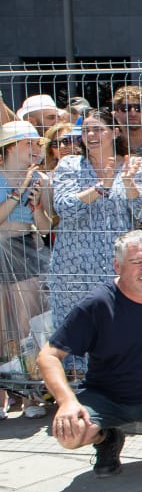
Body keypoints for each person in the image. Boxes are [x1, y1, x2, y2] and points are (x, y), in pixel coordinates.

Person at [38, 231, 142, 476]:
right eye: (137, 262)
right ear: (118, 265)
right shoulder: (97, 304)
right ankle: (106, 439)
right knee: (69, 436)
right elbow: (48, 356)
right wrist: (67, 401)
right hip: (105, 395)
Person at [48, 109, 142, 335]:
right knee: (75, 330)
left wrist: (128, 183)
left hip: (116, 264)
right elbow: (64, 207)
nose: (91, 136)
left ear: (115, 132)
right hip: (73, 263)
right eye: (86, 131)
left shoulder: (132, 166)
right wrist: (101, 187)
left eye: (98, 129)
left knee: (116, 328)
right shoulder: (70, 165)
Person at [0, 122, 53, 376]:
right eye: (28, 143)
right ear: (9, 148)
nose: (35, 149)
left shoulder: (41, 180)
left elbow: (45, 228)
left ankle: (32, 388)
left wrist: (36, 207)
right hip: (2, 250)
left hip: (27, 249)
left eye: (37, 143)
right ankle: (8, 393)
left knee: (26, 324)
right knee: (3, 326)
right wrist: (17, 193)